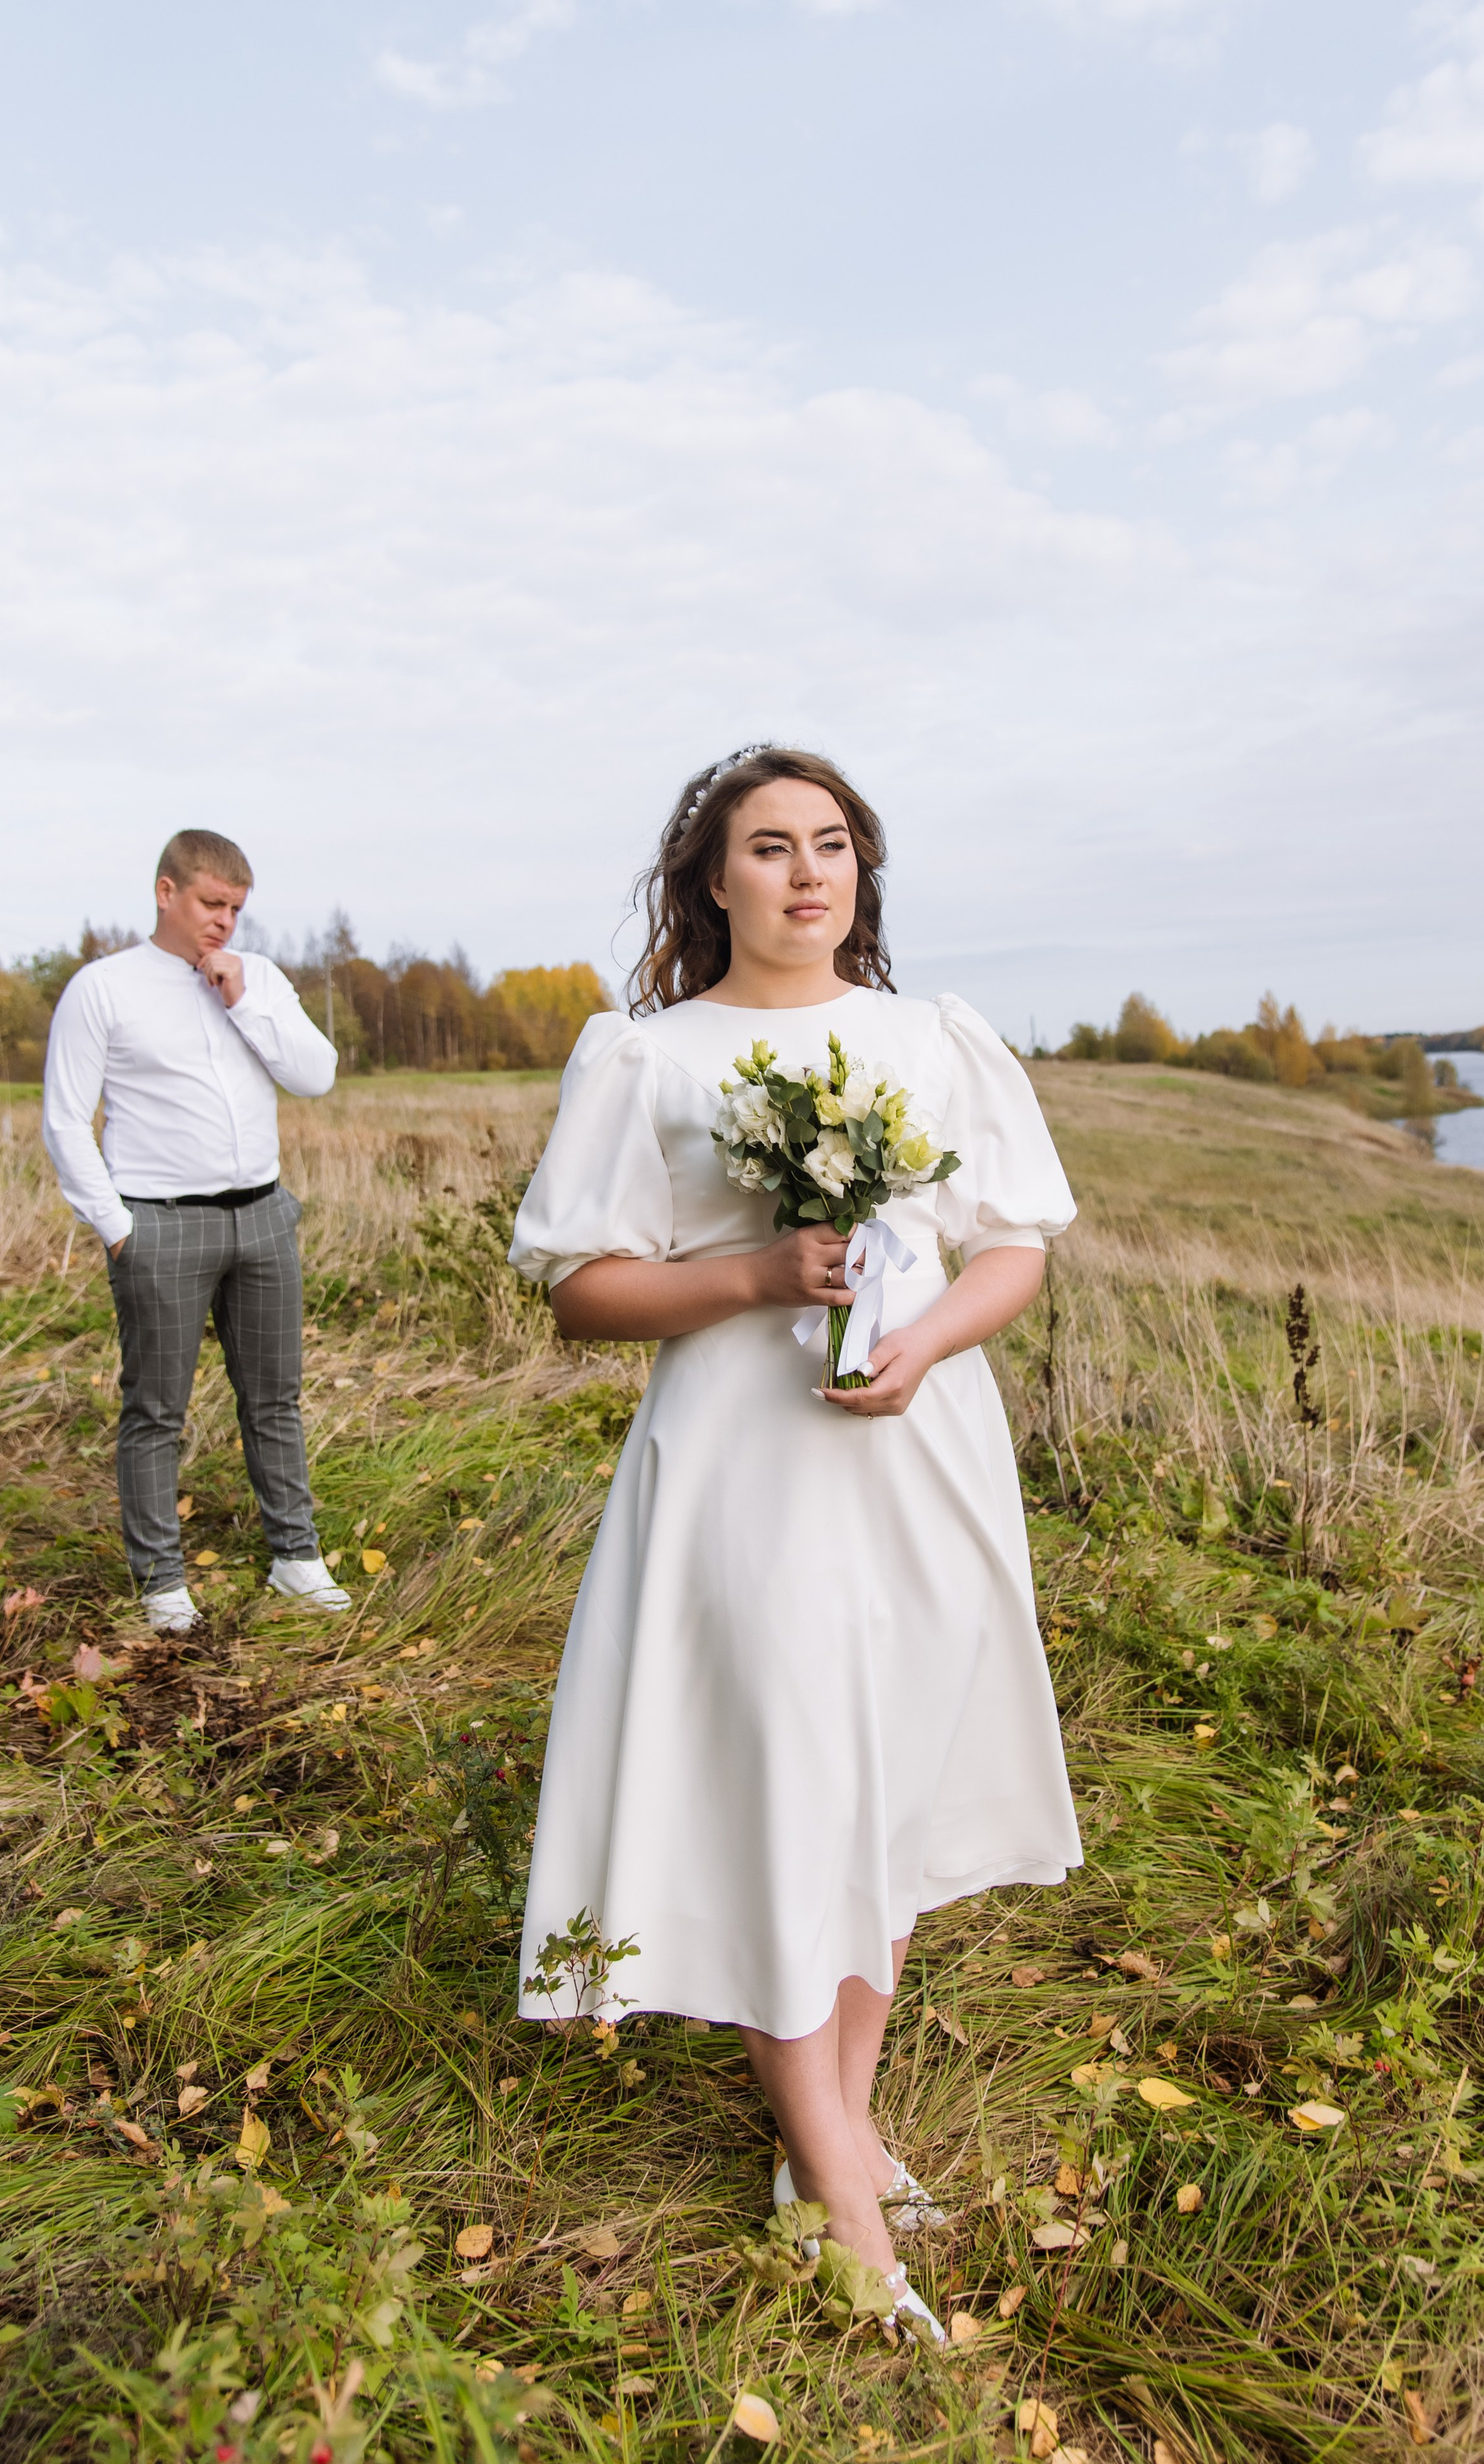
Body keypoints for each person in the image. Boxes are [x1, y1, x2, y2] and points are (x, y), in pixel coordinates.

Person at [507, 747, 1080, 2345]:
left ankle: (834, 2125)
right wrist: (760, 1278)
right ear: (711, 877)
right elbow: (578, 1287)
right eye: (766, 847)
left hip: (915, 1451)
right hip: (740, 1468)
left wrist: (922, 1347)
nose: (803, 872)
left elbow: (1011, 1245)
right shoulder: (646, 1055)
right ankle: (838, 2202)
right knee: (783, 1794)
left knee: (880, 1803)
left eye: (829, 844)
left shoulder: (928, 1034)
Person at [42, 829, 348, 1633]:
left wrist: (242, 997)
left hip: (263, 1216)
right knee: (156, 1411)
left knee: (275, 1399)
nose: (225, 922)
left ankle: (296, 1558)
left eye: (237, 909)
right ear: (165, 892)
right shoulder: (102, 988)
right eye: (212, 904)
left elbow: (315, 1075)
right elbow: (67, 1121)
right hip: (158, 1226)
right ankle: (161, 1582)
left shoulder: (260, 979)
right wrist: (116, 1228)